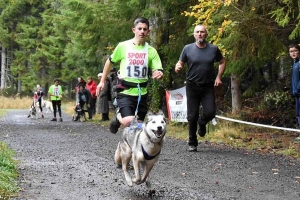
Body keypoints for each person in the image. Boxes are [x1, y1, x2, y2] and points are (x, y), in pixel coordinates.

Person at [96, 17, 163, 134]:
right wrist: (102, 81)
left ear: (148, 32)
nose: (142, 31)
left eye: (145, 29)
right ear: (134, 30)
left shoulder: (151, 51)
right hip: (125, 91)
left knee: (138, 126)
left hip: (142, 93)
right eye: (139, 29)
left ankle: (134, 150)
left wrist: (159, 73)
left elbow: (158, 69)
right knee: (129, 122)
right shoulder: (123, 46)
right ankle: (117, 117)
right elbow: (109, 61)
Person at [175, 25, 226, 152]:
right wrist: (178, 67)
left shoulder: (213, 49)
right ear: (194, 35)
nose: (200, 34)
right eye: (197, 32)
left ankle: (202, 123)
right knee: (192, 116)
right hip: (192, 86)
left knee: (210, 112)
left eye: (202, 32)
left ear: (206, 34)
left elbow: (222, 62)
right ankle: (192, 142)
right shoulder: (187, 48)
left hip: (207, 86)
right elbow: (180, 62)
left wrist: (218, 77)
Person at [289, 44, 300, 143]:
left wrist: (298, 89)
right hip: (296, 94)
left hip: (299, 93)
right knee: (298, 114)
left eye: (295, 50)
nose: (293, 53)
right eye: (291, 51)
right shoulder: (295, 63)